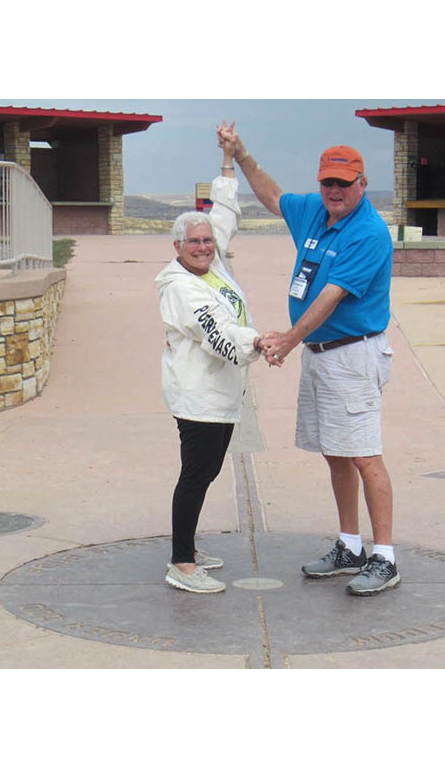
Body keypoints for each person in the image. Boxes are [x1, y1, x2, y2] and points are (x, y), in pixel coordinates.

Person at [218, 124, 399, 596]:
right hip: (323, 354)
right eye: (328, 182)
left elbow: (332, 296)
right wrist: (241, 154)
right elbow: (274, 197)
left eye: (344, 182)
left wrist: (290, 339)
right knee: (335, 452)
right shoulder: (317, 213)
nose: (335, 191)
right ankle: (349, 545)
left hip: (354, 356)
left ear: (362, 183)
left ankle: (384, 557)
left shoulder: (369, 233)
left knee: (364, 454)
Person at [155, 121, 269, 594]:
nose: (204, 247)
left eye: (207, 241)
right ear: (177, 248)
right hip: (198, 396)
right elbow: (219, 337)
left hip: (220, 392)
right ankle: (181, 563)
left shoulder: (213, 263)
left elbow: (223, 212)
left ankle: (189, 547)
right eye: (194, 243)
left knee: (205, 472)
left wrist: (228, 158)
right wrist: (261, 344)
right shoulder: (182, 288)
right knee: (197, 475)